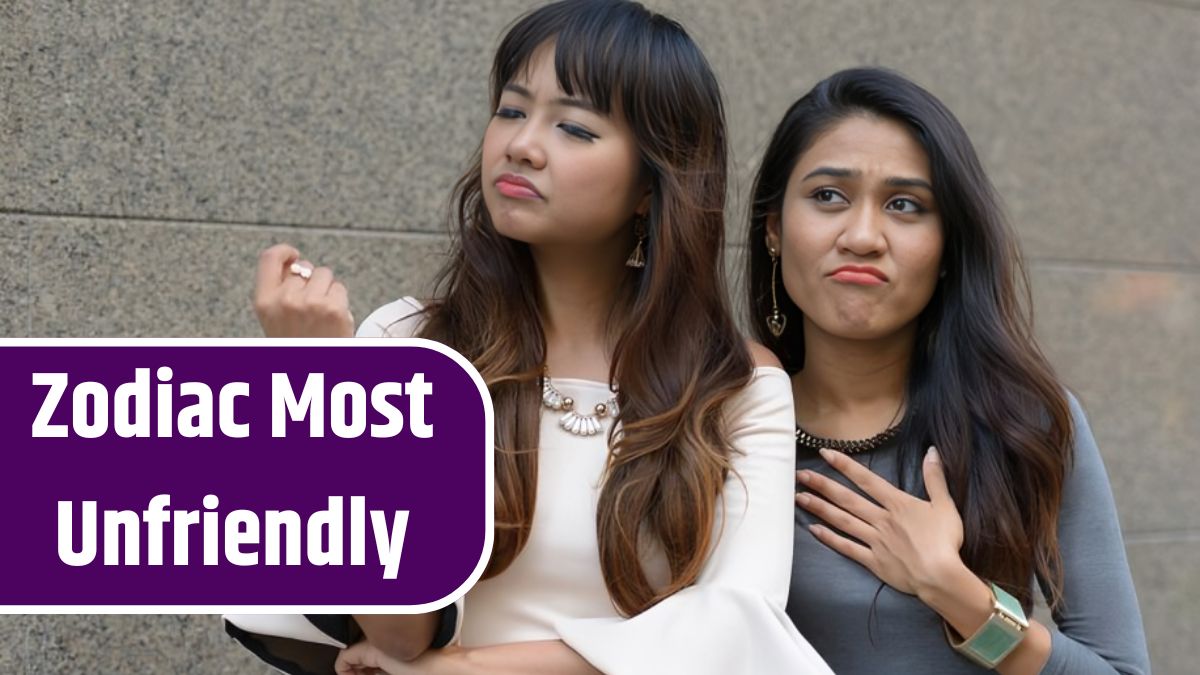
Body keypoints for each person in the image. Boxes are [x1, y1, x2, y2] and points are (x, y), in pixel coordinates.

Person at [237, 2, 833, 674]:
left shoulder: (736, 385)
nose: (521, 143)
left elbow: (736, 627)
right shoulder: (409, 339)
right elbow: (399, 631)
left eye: (574, 127)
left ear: (650, 183)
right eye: (513, 110)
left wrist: (459, 669)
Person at [745, 67, 1151, 674]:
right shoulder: (719, 423)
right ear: (774, 227)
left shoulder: (1024, 423)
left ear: (947, 249)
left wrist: (956, 592)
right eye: (828, 196)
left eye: (904, 205)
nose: (862, 236)